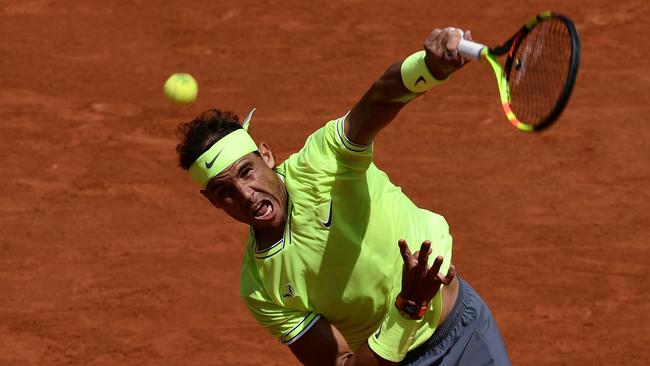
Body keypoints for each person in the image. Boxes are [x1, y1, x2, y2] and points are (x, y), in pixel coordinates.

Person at [175, 27, 510, 365]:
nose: (245, 195)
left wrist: (430, 67)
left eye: (247, 172)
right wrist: (408, 306)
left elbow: (381, 96)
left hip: (464, 332)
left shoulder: (323, 162)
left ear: (266, 156)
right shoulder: (261, 287)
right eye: (224, 191)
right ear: (212, 201)